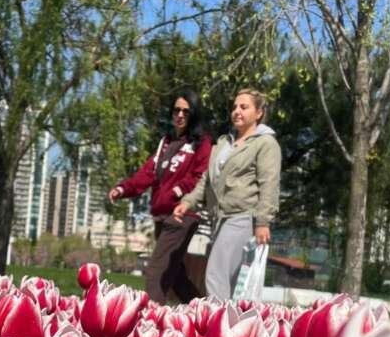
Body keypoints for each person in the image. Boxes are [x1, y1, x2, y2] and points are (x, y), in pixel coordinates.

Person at [173, 89, 281, 302]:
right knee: (228, 280)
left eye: (244, 107)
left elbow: (269, 184)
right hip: (220, 219)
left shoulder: (265, 143)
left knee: (216, 273)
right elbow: (207, 179)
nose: (237, 111)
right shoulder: (224, 143)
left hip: (243, 217)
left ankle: (216, 325)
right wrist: (188, 202)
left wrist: (262, 221)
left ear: (259, 113)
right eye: (234, 107)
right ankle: (232, 327)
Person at [108, 89, 212, 303]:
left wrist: (177, 192)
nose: (180, 115)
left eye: (186, 111)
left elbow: (200, 175)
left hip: (183, 214)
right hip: (161, 215)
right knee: (175, 277)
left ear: (194, 114)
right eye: (176, 110)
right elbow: (148, 173)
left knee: (157, 271)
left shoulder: (201, 143)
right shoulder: (165, 143)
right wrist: (123, 189)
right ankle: (206, 314)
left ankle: (149, 322)